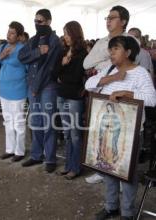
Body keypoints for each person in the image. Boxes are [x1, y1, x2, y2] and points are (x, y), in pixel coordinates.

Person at [85, 35, 156, 220]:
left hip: (130, 132)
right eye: (111, 49)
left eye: (115, 49)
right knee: (108, 168)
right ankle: (111, 207)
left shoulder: (140, 73)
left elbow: (152, 99)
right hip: (106, 128)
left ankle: (127, 213)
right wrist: (111, 78)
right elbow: (88, 85)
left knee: (127, 174)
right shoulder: (109, 69)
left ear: (128, 52)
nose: (111, 52)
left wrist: (127, 93)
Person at [83, 5, 130, 184]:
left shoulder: (130, 40)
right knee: (101, 133)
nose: (108, 21)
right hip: (101, 93)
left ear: (123, 21)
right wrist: (108, 55)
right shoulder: (102, 42)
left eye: (113, 17)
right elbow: (86, 64)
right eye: (107, 18)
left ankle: (118, 175)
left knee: (118, 135)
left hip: (122, 93)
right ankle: (102, 171)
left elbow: (127, 66)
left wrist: (102, 64)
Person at [18, 9, 62, 173]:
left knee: (48, 123)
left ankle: (50, 158)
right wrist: (38, 52)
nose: (37, 24)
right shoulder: (33, 40)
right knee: (36, 122)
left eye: (40, 21)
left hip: (47, 87)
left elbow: (48, 68)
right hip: (33, 86)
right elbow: (21, 56)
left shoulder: (55, 40)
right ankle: (37, 155)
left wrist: (36, 87)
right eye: (35, 21)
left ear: (49, 21)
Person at [0, 21, 27, 162]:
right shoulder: (3, 47)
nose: (9, 35)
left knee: (18, 121)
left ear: (19, 36)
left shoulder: (23, 49)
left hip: (18, 90)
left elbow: (29, 70)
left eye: (12, 33)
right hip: (4, 90)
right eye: (8, 32)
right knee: (7, 121)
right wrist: (2, 56)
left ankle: (20, 151)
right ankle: (9, 149)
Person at [55, 21, 87, 180]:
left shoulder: (83, 53)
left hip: (74, 98)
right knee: (66, 133)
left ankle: (76, 167)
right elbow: (54, 73)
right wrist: (62, 64)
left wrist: (62, 75)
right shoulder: (63, 51)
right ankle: (68, 165)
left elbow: (75, 78)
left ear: (75, 34)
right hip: (61, 95)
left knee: (75, 134)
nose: (65, 37)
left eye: (67, 33)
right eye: (64, 33)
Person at [97, 103, 121, 167]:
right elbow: (102, 124)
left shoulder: (115, 115)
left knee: (110, 144)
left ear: (112, 107)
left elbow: (118, 125)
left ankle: (111, 159)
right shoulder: (105, 115)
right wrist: (104, 128)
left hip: (111, 132)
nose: (108, 108)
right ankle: (104, 158)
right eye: (107, 107)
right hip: (106, 132)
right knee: (104, 144)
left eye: (109, 107)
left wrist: (113, 128)